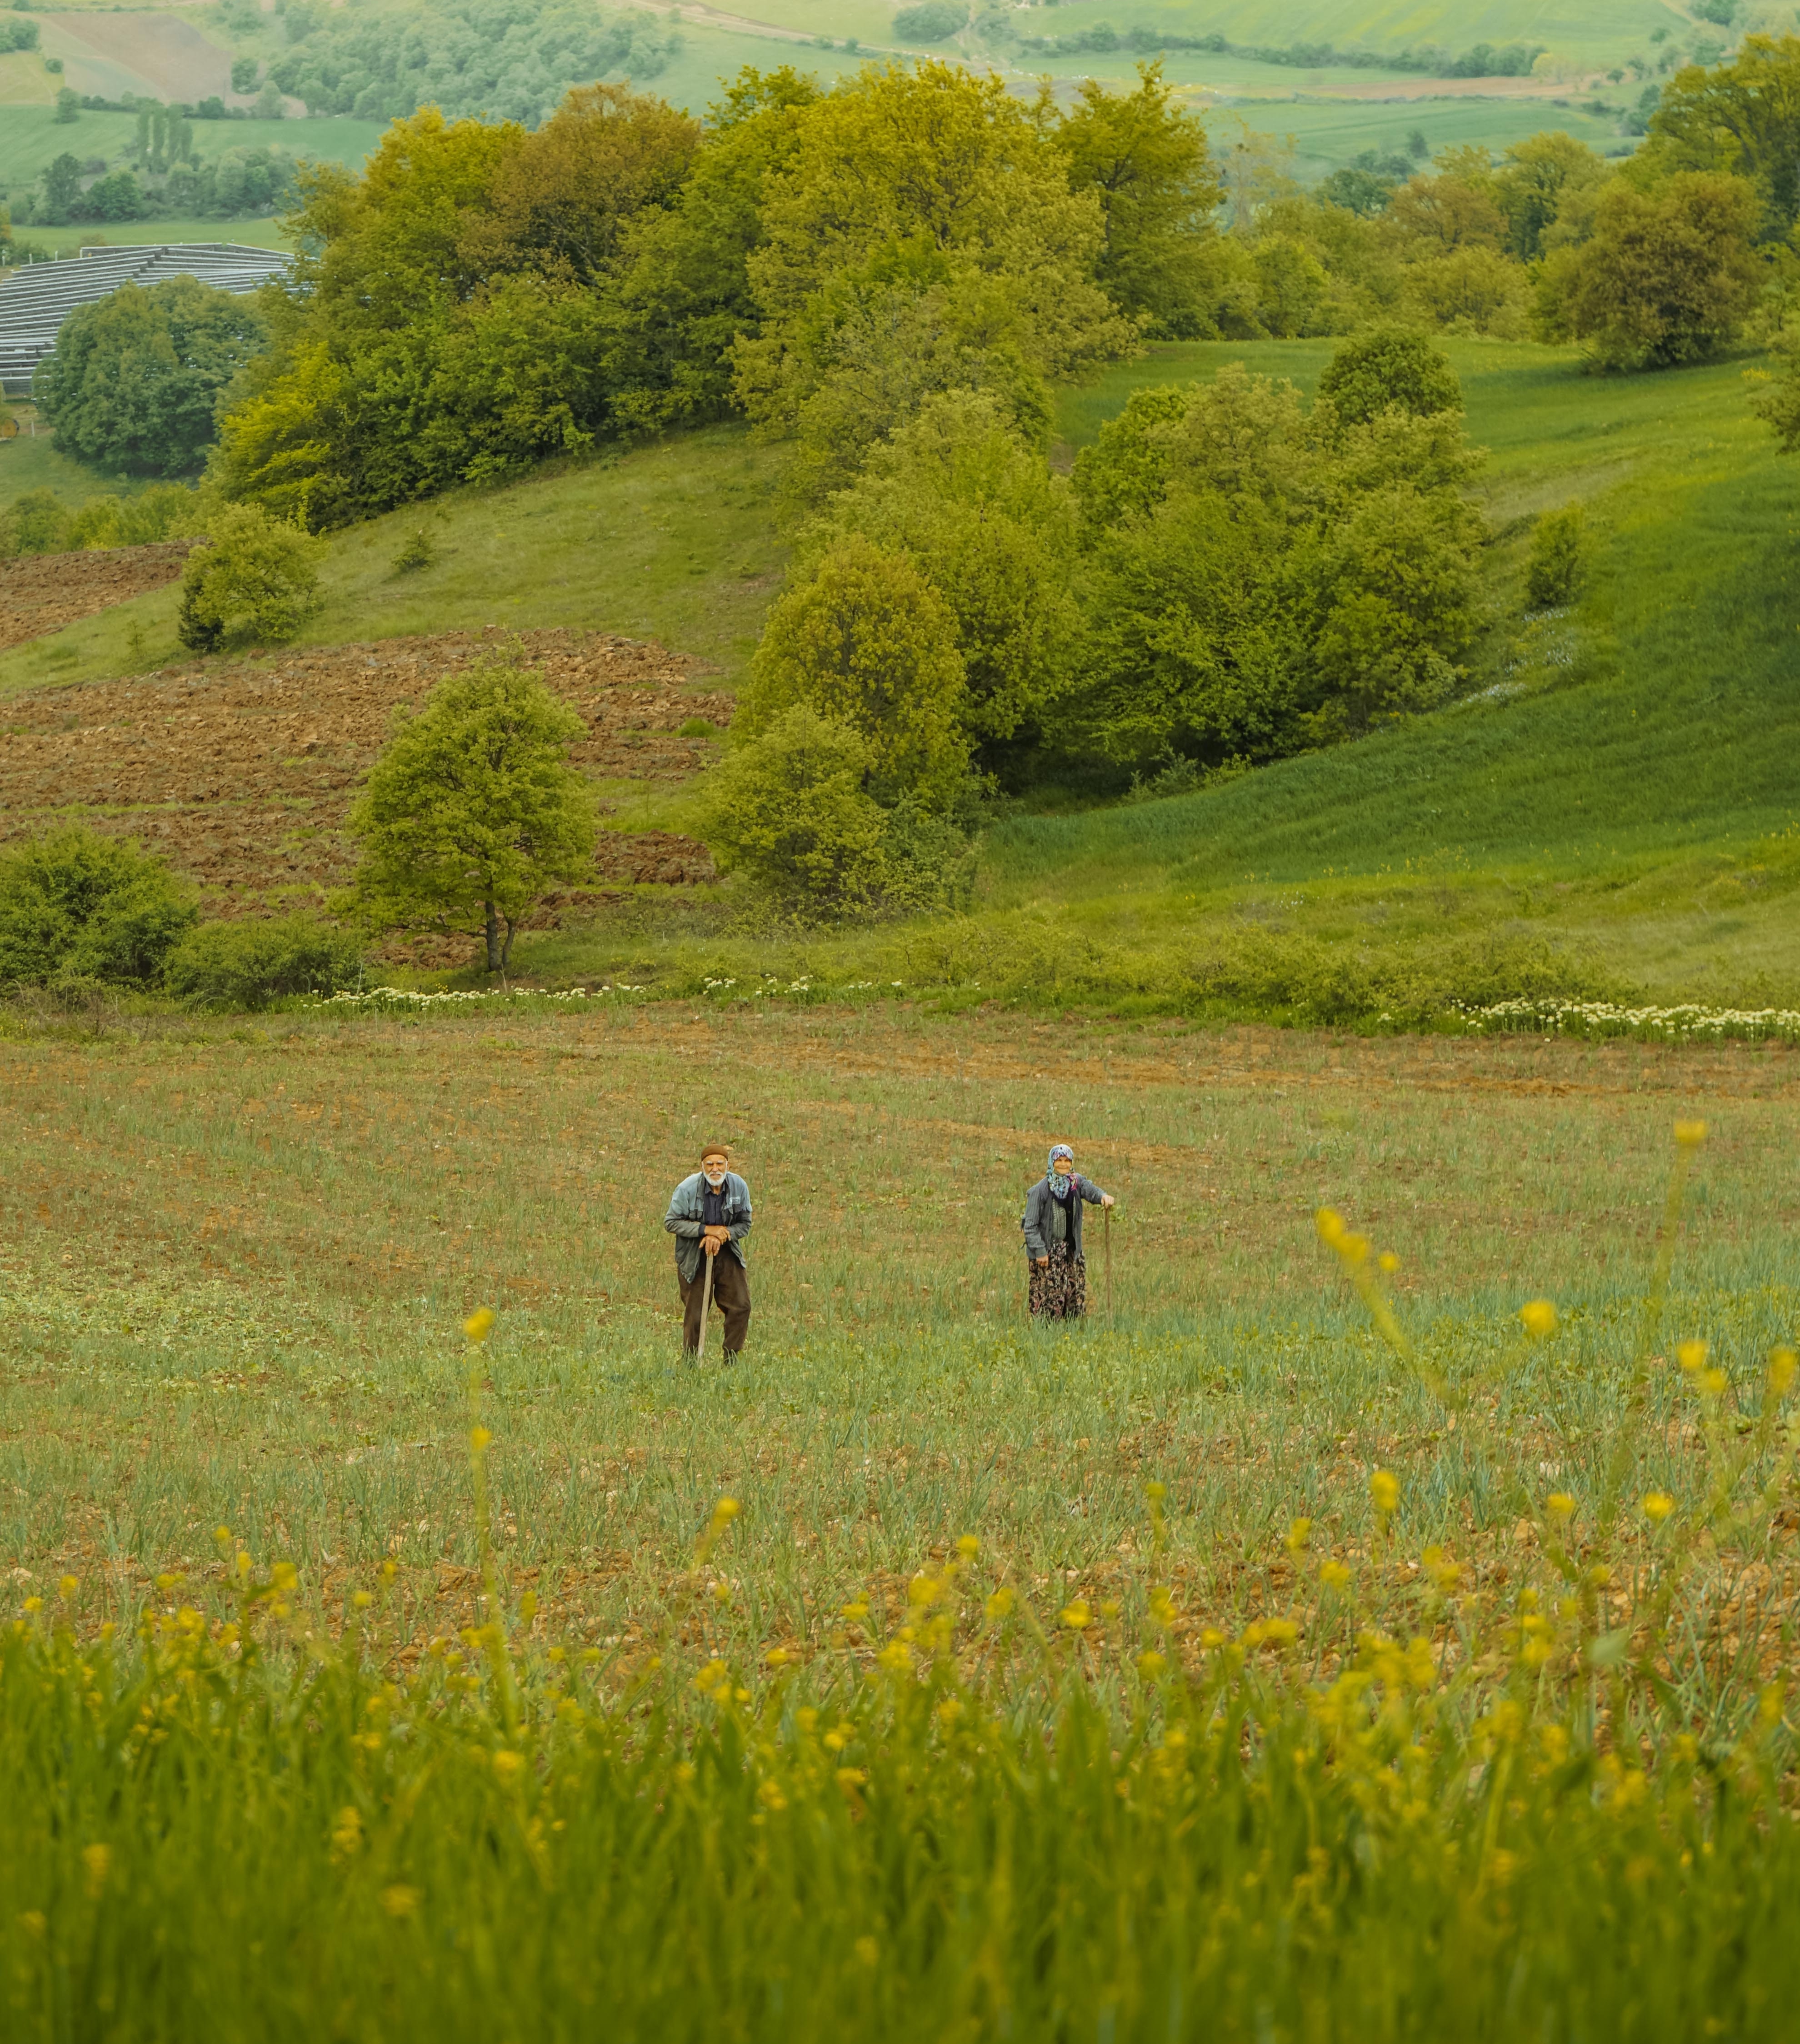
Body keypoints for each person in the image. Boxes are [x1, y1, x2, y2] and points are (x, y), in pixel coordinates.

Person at [664, 1144, 752, 1361]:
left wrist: (722, 1235)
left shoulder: (739, 1186)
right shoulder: (687, 1189)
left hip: (727, 1251)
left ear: (728, 1166)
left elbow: (745, 1224)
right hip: (695, 1255)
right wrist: (704, 1231)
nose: (715, 1169)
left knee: (741, 1306)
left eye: (720, 1164)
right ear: (702, 1166)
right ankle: (692, 1363)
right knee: (696, 1313)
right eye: (710, 1164)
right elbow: (671, 1222)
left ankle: (731, 1359)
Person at [1021, 1142, 1113, 1320]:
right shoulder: (1040, 1191)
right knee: (1050, 1297)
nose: (1063, 1164)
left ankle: (1071, 1331)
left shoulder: (1076, 1183)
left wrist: (1103, 1196)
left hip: (1071, 1251)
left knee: (1074, 1294)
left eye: (1067, 1160)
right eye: (1059, 1160)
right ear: (1052, 1162)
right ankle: (1046, 1334)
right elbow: (1030, 1226)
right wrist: (1040, 1252)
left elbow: (1091, 1191)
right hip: (1048, 1254)